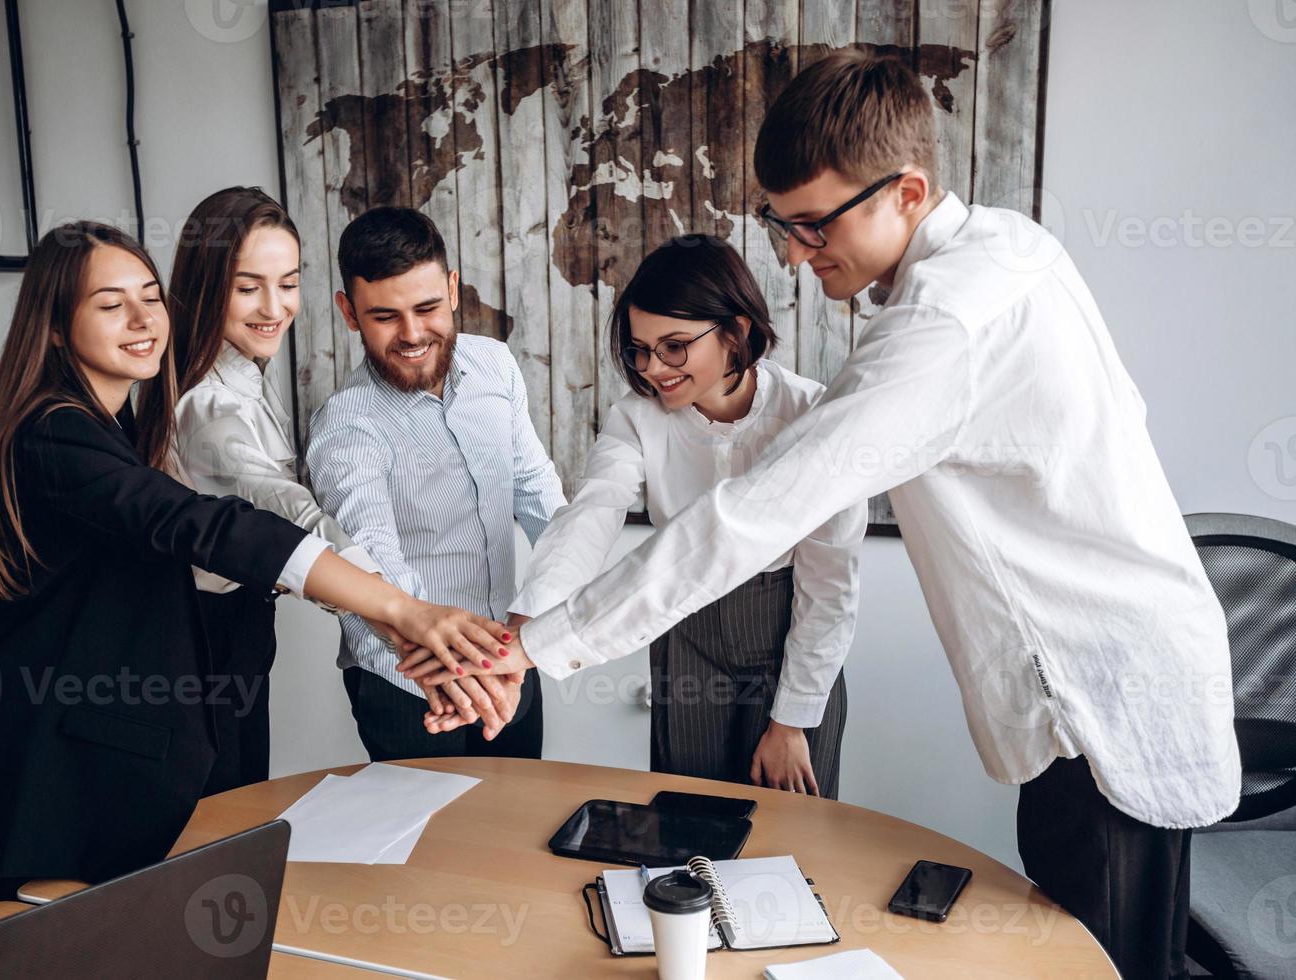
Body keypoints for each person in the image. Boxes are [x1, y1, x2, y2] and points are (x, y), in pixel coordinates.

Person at [404, 49, 1238, 979]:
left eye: (811, 227)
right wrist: (529, 628)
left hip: (1099, 694)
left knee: (1097, 960)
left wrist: (535, 647)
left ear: (907, 191)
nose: (795, 257)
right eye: (780, 226)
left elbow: (753, 519)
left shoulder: (940, 330)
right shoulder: (1009, 247)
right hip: (1117, 672)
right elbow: (597, 516)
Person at [0, 221, 511, 936]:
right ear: (52, 326)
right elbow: (207, 523)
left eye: (150, 297)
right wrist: (403, 611)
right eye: (111, 305)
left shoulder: (111, 424)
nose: (142, 321)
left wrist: (394, 618)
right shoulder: (52, 431)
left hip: (63, 752)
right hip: (23, 764)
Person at [507, 235, 864, 796]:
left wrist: (790, 719)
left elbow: (830, 583)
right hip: (685, 637)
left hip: (788, 632)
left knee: (793, 837)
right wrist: (527, 624)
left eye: (674, 347)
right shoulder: (635, 418)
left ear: (737, 331)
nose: (653, 369)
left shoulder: (811, 413)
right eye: (639, 350)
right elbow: (591, 514)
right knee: (686, 825)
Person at [143, 186, 380, 794]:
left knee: (238, 812)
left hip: (236, 625)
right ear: (205, 287)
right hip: (202, 636)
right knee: (218, 823)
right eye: (248, 287)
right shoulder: (211, 401)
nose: (274, 306)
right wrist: (385, 599)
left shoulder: (242, 370)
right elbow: (284, 506)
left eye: (288, 282)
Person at [307, 206, 566, 762]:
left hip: (508, 663)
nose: (411, 334)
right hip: (406, 686)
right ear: (349, 313)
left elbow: (538, 494)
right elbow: (370, 563)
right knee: (430, 847)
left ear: (452, 289)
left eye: (426, 307)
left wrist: (548, 622)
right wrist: (457, 676)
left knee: (518, 836)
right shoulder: (345, 424)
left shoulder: (496, 366)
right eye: (384, 316)